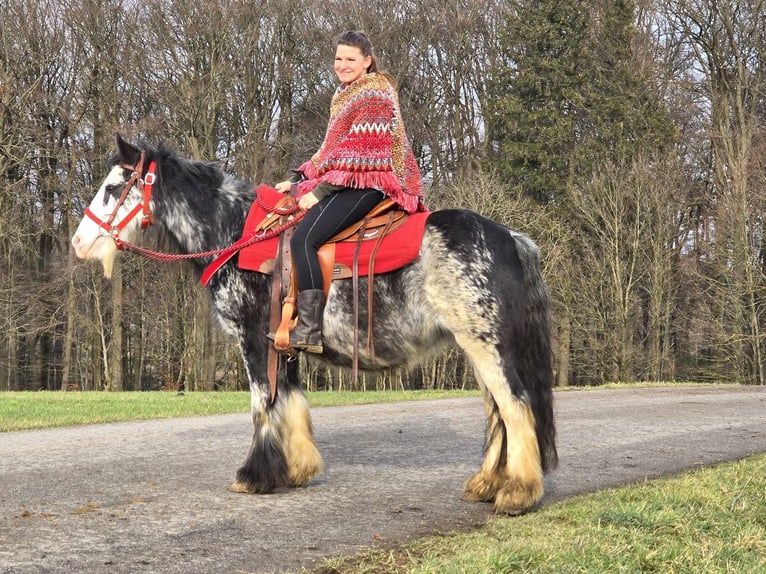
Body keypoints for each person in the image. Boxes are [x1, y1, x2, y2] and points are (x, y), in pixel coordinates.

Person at [273, 31, 423, 354]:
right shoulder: (343, 95)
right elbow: (332, 152)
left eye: (350, 59)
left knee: (304, 239)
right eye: (338, 59)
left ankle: (310, 329)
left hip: (374, 183)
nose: (342, 65)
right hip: (351, 178)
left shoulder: (375, 93)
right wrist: (300, 178)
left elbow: (363, 157)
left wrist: (320, 190)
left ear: (367, 61)